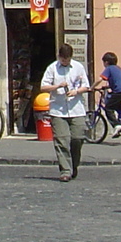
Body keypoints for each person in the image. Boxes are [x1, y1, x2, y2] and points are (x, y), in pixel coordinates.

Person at [40, 43, 92, 181]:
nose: (65, 62)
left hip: (77, 109)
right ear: (59, 57)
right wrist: (57, 86)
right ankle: (65, 171)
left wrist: (76, 91)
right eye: (63, 60)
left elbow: (86, 86)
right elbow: (43, 87)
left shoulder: (78, 67)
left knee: (77, 138)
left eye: (67, 60)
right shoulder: (52, 68)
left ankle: (74, 165)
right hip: (58, 110)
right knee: (61, 140)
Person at [97, 52, 121, 127]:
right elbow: (118, 81)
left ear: (106, 62)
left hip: (119, 91)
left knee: (108, 108)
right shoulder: (118, 68)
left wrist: (91, 87)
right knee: (117, 106)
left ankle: (117, 125)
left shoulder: (109, 68)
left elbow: (100, 79)